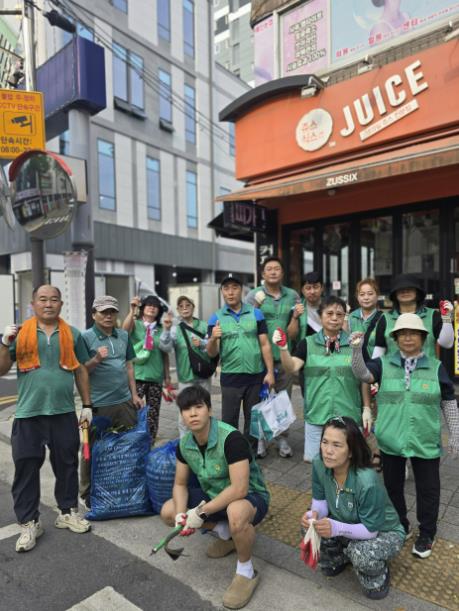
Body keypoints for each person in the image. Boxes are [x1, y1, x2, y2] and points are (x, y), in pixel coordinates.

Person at [350, 313, 459, 558]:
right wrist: (356, 351)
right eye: (403, 334)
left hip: (425, 440)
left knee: (428, 490)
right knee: (392, 487)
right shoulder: (383, 364)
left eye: (413, 333)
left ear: (423, 338)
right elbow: (362, 374)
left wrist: (455, 433)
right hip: (391, 440)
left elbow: (449, 401)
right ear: (395, 338)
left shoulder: (436, 367)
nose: (408, 338)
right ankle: (401, 524)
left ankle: (427, 534)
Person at [160, 385, 270, 610]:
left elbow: (239, 489)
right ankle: (225, 532)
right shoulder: (185, 444)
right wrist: (181, 515)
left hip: (251, 497)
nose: (193, 414)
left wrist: (200, 512)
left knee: (236, 512)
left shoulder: (231, 438)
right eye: (186, 409)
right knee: (168, 511)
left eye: (198, 407)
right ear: (181, 415)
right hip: (214, 497)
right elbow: (180, 484)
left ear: (209, 410)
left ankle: (246, 571)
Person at [0, 285, 92, 553]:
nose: (48, 304)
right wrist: (4, 343)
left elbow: (81, 369)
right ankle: (29, 522)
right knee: (26, 468)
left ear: (61, 304)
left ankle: (67, 512)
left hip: (63, 412)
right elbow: (2, 369)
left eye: (54, 299)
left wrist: (87, 405)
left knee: (66, 464)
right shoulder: (20, 334)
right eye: (43, 299)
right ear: (33, 304)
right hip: (29, 414)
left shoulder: (72, 334)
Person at [301, 416, 405, 599]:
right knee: (309, 528)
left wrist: (335, 528)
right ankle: (341, 556)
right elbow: (320, 501)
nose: (328, 451)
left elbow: (371, 531)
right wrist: (314, 514)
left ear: (350, 451)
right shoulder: (319, 463)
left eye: (337, 445)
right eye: (325, 442)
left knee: (362, 554)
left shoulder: (366, 480)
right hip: (347, 522)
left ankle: (378, 574)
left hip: (382, 531)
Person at [274, 296, 365, 462]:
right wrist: (283, 348)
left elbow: (364, 377)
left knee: (348, 463)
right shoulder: (307, 344)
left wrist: (366, 408)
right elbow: (292, 367)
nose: (334, 318)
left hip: (348, 416)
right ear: (320, 316)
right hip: (317, 415)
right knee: (316, 463)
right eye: (329, 313)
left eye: (339, 314)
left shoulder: (355, 344)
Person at [79, 295, 144, 508]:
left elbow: (129, 366)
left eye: (112, 312)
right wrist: (96, 359)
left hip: (124, 402)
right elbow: (80, 371)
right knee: (90, 449)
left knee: (126, 447)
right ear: (93, 315)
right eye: (103, 312)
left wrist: (134, 395)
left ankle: (122, 489)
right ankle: (86, 493)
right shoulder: (85, 337)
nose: (108, 316)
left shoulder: (123, 335)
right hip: (97, 405)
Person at [207, 275, 274, 454]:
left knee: (253, 421)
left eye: (235, 288)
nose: (230, 292)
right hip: (231, 378)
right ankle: (231, 455)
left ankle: (250, 456)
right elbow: (211, 353)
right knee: (229, 421)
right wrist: (213, 338)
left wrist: (269, 372)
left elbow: (265, 344)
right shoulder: (215, 318)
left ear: (241, 290)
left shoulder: (256, 314)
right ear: (222, 292)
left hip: (255, 377)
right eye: (226, 288)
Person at [246, 257, 301, 458]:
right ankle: (260, 438)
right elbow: (246, 324)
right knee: (260, 399)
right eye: (269, 269)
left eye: (277, 268)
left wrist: (295, 317)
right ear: (263, 274)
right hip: (260, 358)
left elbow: (293, 334)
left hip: (284, 356)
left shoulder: (292, 295)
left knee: (283, 399)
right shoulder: (254, 295)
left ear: (282, 273)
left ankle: (282, 438)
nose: (273, 272)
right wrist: (255, 306)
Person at [122, 294, 172, 442]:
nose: (152, 308)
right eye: (149, 305)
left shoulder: (161, 329)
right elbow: (124, 331)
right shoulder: (136, 324)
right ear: (143, 308)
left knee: (153, 414)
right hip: (136, 376)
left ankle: (149, 442)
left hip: (155, 376)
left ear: (159, 311)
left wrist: (167, 376)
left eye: (155, 306)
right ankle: (132, 441)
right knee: (133, 412)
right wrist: (132, 310)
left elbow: (165, 354)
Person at [161, 295, 213, 437]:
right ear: (178, 310)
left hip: (203, 374)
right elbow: (166, 348)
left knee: (205, 409)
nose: (185, 308)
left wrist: (202, 343)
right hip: (186, 376)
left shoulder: (204, 325)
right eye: (181, 306)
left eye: (187, 305)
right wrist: (166, 330)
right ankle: (185, 442)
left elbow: (213, 347)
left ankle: (205, 439)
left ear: (193, 307)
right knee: (185, 411)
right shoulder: (175, 329)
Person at [372, 273, 454, 359]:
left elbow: (447, 344)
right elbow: (379, 350)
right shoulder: (385, 318)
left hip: (426, 367)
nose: (405, 291)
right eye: (400, 289)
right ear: (395, 294)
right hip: (393, 367)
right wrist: (373, 366)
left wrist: (447, 318)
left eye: (410, 289)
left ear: (417, 292)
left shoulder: (432, 315)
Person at [287, 271, 324, 343]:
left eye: (316, 287)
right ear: (302, 290)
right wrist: (295, 318)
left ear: (322, 288)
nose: (312, 291)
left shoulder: (330, 306)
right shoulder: (296, 309)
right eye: (308, 288)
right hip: (305, 348)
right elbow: (291, 336)